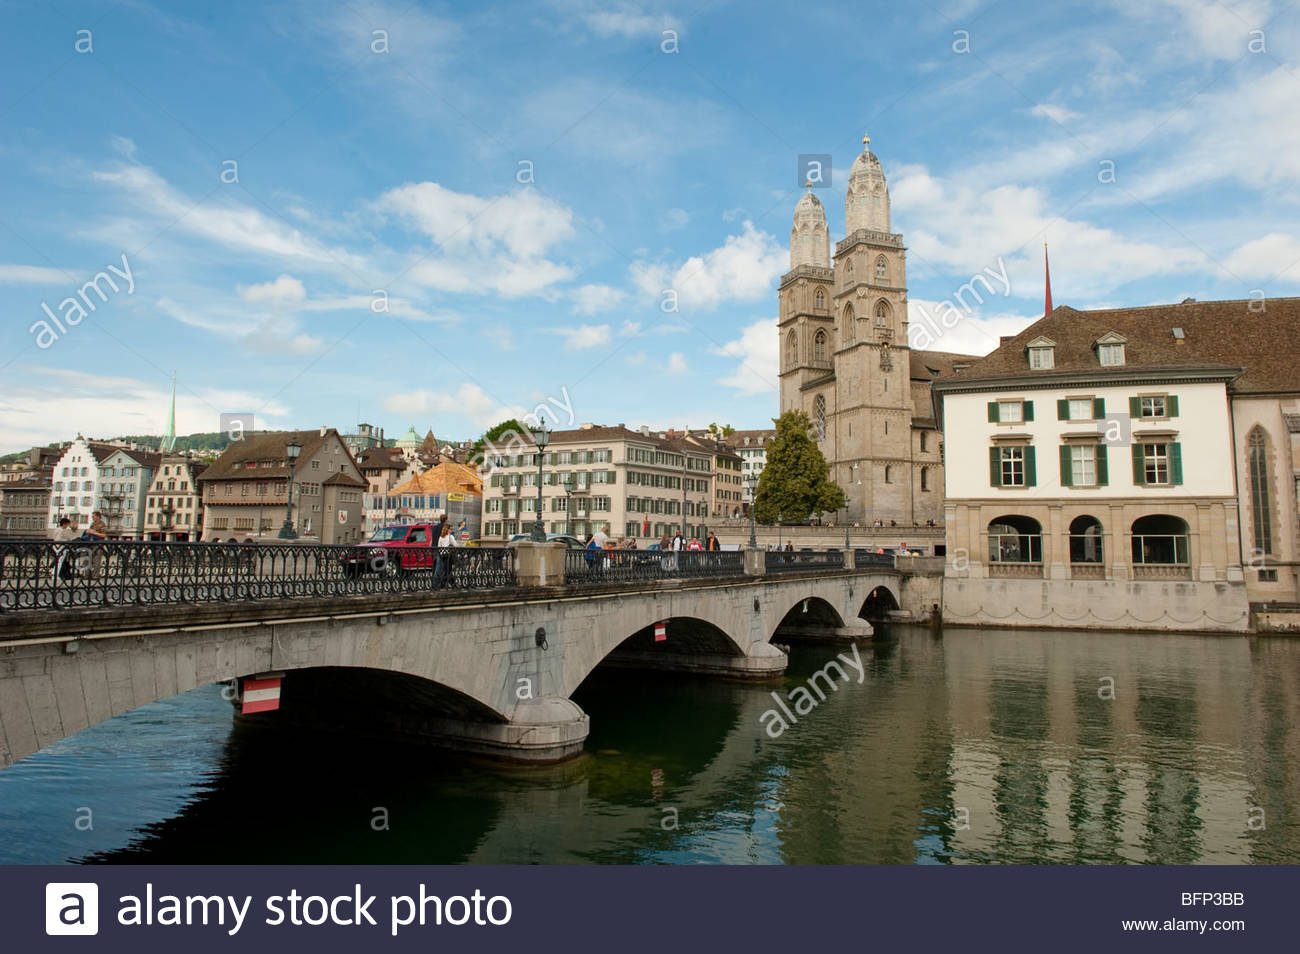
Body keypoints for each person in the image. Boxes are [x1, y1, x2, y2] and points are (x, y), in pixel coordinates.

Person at [434, 523, 457, 587]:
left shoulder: (441, 537)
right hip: (448, 555)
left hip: (442, 555)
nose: (451, 530)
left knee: (446, 569)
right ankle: (447, 583)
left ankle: (446, 583)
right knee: (448, 570)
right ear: (448, 529)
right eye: (451, 529)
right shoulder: (450, 536)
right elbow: (455, 545)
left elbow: (439, 546)